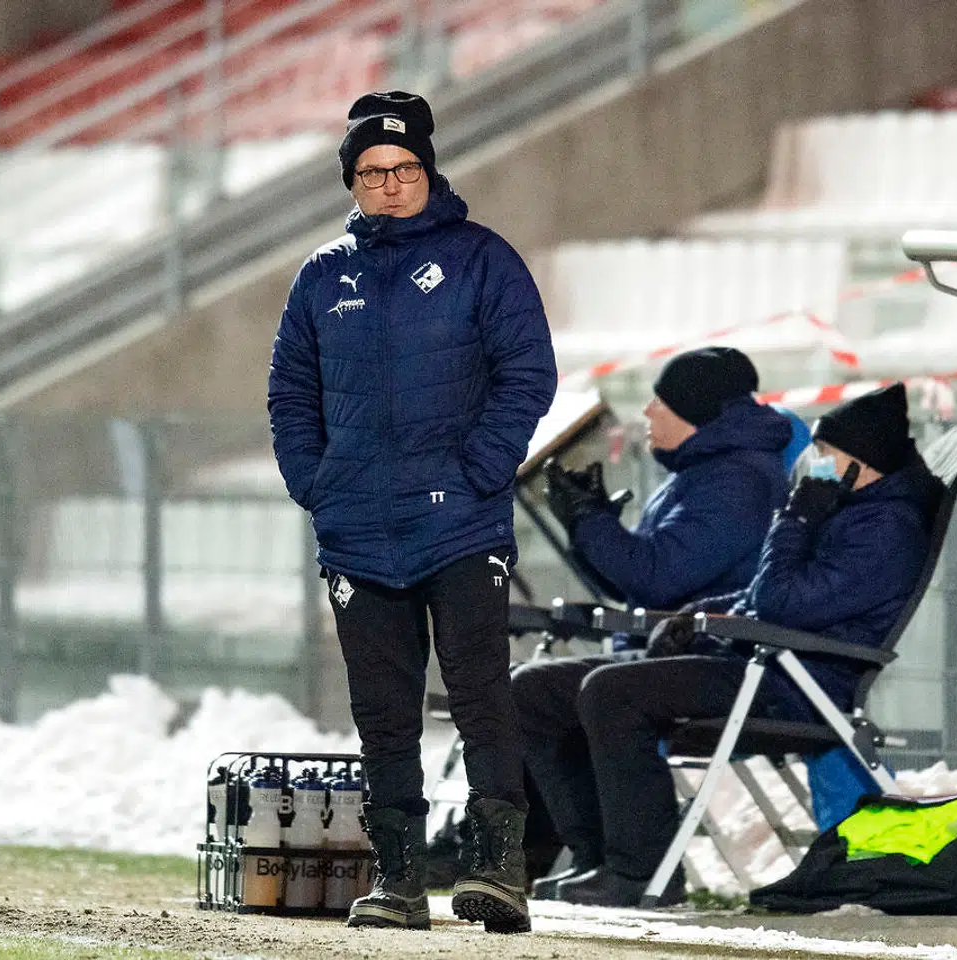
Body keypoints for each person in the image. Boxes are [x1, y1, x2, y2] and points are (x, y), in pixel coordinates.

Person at [267, 90, 556, 933]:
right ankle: (398, 881)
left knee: (479, 690)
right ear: (350, 183)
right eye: (369, 173)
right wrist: (314, 480)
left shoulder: (482, 259)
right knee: (382, 710)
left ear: (428, 171)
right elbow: (291, 390)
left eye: (402, 169)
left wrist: (481, 469)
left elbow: (527, 373)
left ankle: (498, 871)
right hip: (358, 528)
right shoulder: (323, 275)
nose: (388, 185)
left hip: (460, 520)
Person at [513, 382, 944, 907]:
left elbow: (784, 603)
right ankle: (593, 855)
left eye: (828, 454)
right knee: (532, 689)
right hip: (755, 660)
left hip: (793, 684)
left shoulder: (888, 531)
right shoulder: (851, 510)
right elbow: (767, 597)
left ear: (863, 464)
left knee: (612, 692)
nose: (817, 464)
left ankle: (640, 871)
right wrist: (705, 615)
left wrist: (796, 519)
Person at [542, 346, 794, 612]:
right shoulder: (700, 473)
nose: (648, 411)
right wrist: (585, 522)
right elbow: (625, 587)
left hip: (700, 647)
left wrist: (589, 518)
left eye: (660, 402)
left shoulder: (737, 484)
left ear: (694, 413)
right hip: (663, 644)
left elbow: (654, 580)